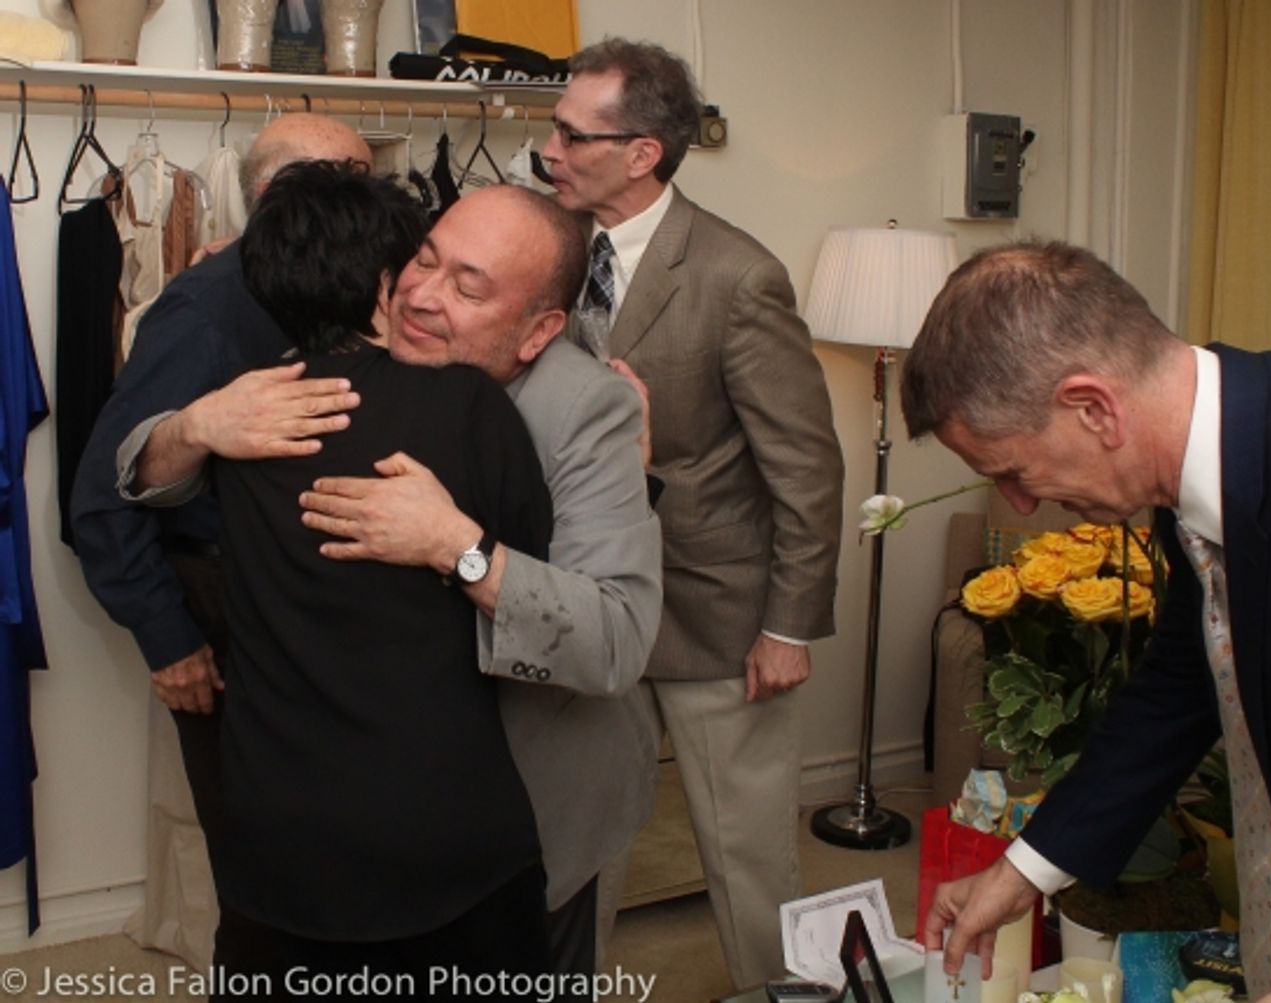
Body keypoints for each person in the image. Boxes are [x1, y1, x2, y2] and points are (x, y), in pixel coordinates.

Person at [110, 182, 663, 983]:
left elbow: (614, 640)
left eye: (469, 286)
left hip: (535, 791)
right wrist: (195, 426)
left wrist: (455, 545)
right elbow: (132, 472)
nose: (422, 297)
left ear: (540, 329)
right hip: (362, 811)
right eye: (423, 260)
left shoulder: (586, 408)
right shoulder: (312, 370)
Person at [900, 240, 1271, 1003]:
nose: (1022, 504)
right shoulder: (1197, 486)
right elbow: (1178, 694)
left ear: (1094, 406)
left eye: (1012, 470)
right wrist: (1022, 870)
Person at [203, 158, 553, 994]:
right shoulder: (469, 407)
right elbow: (537, 577)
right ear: (387, 281)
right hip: (442, 822)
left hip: (274, 824)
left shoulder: (238, 419)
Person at [539, 38, 844, 987]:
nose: (547, 149)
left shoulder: (735, 275)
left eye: (570, 133)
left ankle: (779, 991)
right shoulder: (548, 252)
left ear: (641, 153)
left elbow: (807, 467)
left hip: (714, 610)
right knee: (576, 848)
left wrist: (788, 627)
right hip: (585, 602)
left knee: (749, 854)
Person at [70, 114, 373, 964]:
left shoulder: (375, 283)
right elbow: (102, 493)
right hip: (227, 607)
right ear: (277, 194)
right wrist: (171, 642)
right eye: (347, 174)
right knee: (264, 858)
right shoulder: (204, 310)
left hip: (336, 601)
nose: (374, 191)